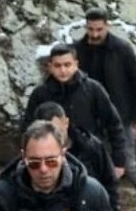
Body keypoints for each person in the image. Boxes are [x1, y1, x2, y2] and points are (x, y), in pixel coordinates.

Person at [73, 10, 136, 211]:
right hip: (91, 117)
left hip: (121, 116)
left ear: (107, 26)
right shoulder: (78, 50)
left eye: (99, 29)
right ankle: (104, 205)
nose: (95, 34)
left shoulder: (121, 49)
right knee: (95, 162)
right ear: (86, 27)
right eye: (91, 29)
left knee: (128, 162)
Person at [22, 44, 128, 198]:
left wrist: (119, 160)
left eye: (67, 65)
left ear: (76, 65)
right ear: (50, 67)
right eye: (58, 66)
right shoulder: (40, 94)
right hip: (52, 161)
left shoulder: (93, 89)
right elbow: (27, 129)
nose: (63, 70)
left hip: (90, 158)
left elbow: (113, 124)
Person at [33, 101, 120, 211]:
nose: (55, 137)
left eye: (57, 130)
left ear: (66, 123)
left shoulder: (91, 147)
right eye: (48, 133)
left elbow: (110, 183)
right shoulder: (34, 160)